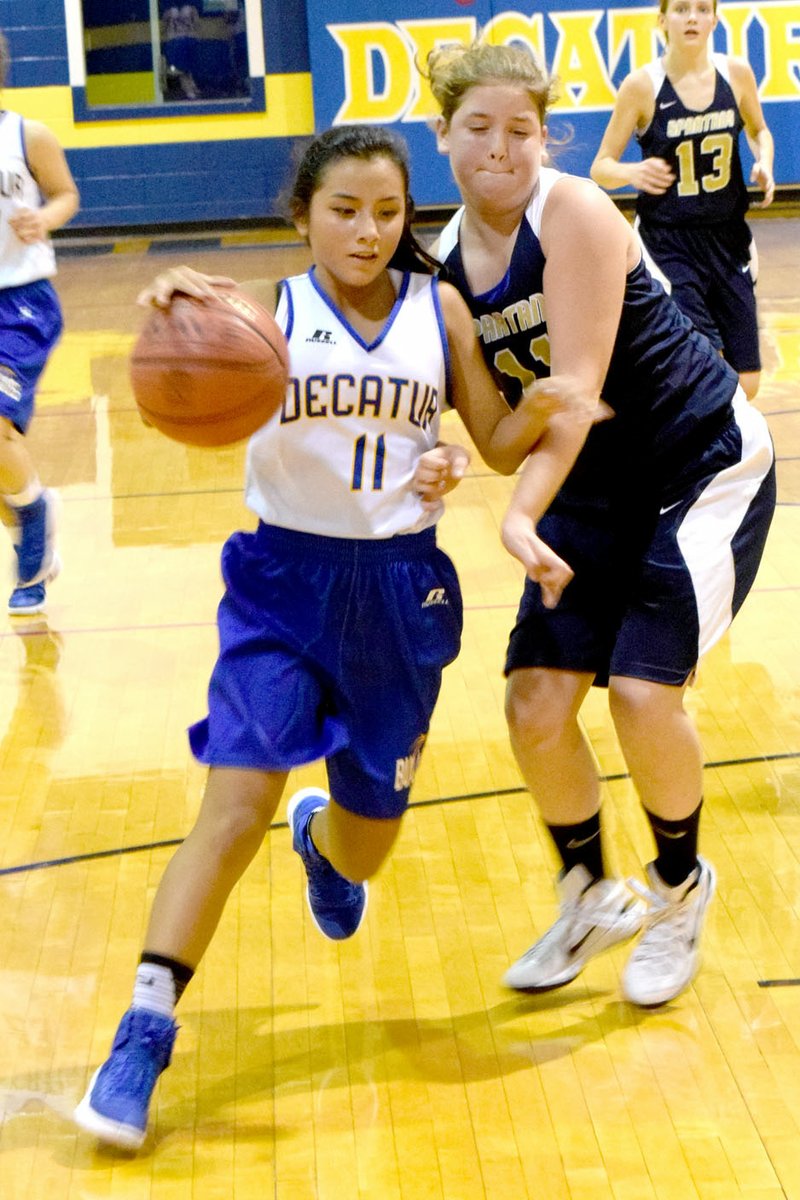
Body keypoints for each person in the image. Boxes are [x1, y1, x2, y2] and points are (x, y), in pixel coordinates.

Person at [73, 124, 577, 1152]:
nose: (366, 231)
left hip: (399, 597)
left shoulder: (437, 312)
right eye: (343, 210)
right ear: (301, 214)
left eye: (387, 212)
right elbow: (180, 350)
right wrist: (173, 303)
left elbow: (488, 438)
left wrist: (543, 406)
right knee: (233, 800)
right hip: (280, 587)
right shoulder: (259, 317)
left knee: (366, 845)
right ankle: (142, 1032)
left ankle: (323, 845)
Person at [425, 39, 775, 1006]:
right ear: (441, 132)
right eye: (480, 128)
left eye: (522, 130)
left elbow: (573, 390)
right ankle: (587, 892)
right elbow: (500, 436)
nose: (501, 149)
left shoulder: (572, 208)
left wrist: (520, 507)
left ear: (548, 136)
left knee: (641, 696)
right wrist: (475, 454)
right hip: (591, 488)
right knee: (534, 706)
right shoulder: (447, 270)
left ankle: (677, 889)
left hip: (698, 463)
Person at [589, 0, 774, 401]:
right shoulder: (642, 85)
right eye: (682, 9)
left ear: (715, 19)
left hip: (728, 239)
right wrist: (631, 173)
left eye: (703, 9)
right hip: (669, 242)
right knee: (708, 365)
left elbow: (760, 131)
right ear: (662, 21)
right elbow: (600, 167)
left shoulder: (736, 74)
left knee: (748, 382)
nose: (693, 17)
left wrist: (765, 163)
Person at [0, 30, 79, 614]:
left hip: (20, 301)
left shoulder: (28, 135)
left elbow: (66, 194)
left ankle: (34, 517)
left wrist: (43, 218)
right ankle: (30, 522)